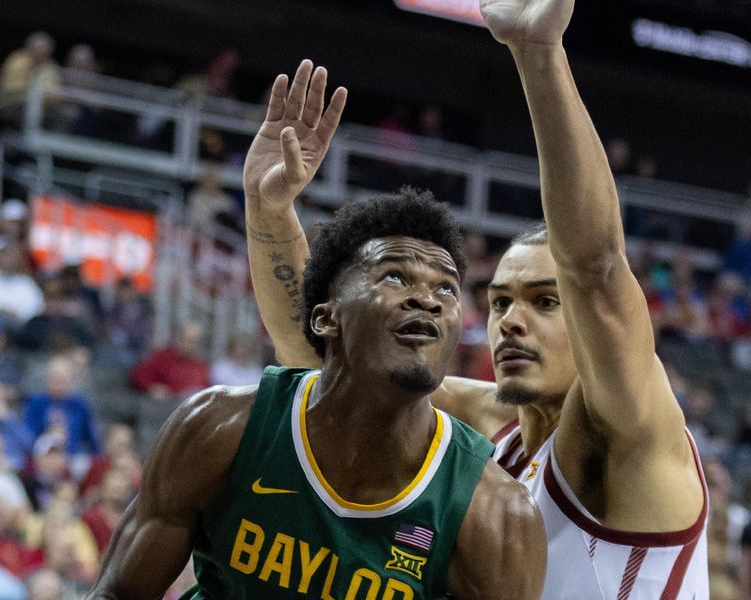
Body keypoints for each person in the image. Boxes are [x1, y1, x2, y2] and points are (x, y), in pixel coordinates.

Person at [245, 5, 710, 595]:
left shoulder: (629, 434)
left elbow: (594, 269)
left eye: (545, 302)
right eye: (499, 303)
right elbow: (330, 356)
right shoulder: (490, 430)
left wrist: (539, 55)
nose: (512, 322)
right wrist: (269, 210)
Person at [86, 63, 546, 599]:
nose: (428, 297)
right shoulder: (220, 428)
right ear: (326, 318)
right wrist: (268, 205)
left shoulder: (494, 511)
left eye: (447, 289)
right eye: (394, 275)